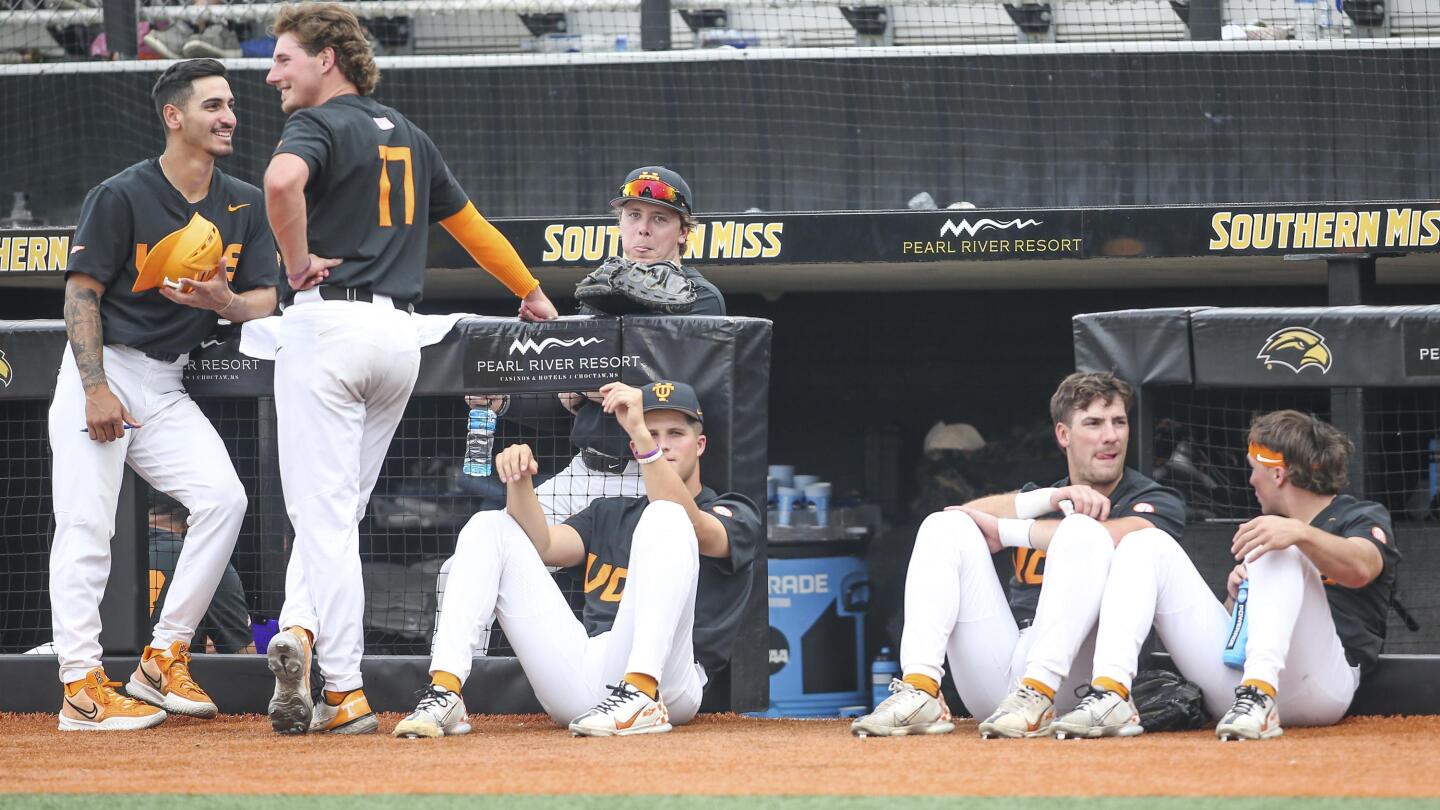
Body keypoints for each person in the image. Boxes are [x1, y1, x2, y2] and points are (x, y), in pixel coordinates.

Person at [259, 2, 559, 736]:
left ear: (327, 59)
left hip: (327, 325)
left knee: (322, 515)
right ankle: (299, 627)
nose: (272, 74)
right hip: (397, 339)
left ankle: (347, 688)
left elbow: (278, 184)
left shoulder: (317, 124)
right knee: (339, 512)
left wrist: (297, 263)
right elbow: (473, 228)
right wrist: (529, 289)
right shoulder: (411, 135)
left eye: (285, 59)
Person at [49, 58, 279, 731]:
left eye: (230, 103)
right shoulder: (121, 195)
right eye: (212, 105)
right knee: (88, 525)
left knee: (223, 499)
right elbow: (81, 292)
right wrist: (95, 388)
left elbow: (266, 297)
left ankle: (163, 655)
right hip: (105, 369)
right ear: (173, 117)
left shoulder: (244, 200)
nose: (228, 115)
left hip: (168, 380)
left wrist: (225, 301)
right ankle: (79, 685)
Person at [393, 380, 760, 739]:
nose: (663, 445)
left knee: (667, 515)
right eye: (652, 434)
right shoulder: (610, 512)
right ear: (634, 446)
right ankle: (445, 689)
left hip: (671, 683)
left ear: (700, 445)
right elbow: (544, 546)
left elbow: (693, 524)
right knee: (488, 524)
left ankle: (642, 692)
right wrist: (519, 481)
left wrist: (642, 437)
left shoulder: (732, 510)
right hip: (586, 673)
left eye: (674, 434)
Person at [850, 372, 1185, 738]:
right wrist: (1044, 499)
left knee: (1080, 530)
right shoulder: (1047, 500)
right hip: (1005, 671)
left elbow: (1113, 536)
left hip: (1077, 686)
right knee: (941, 526)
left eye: (1119, 422)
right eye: (1094, 423)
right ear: (1063, 435)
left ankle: (1041, 694)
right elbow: (962, 517)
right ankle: (920, 688)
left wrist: (1012, 531)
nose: (1111, 436)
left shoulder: (1155, 498)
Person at [1050, 410, 1398, 741]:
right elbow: (1238, 639)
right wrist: (1236, 597)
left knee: (1276, 543)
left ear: (1277, 475)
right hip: (1237, 696)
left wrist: (1298, 534)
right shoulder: (1269, 529)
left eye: (1253, 469)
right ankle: (1111, 692)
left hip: (1320, 689)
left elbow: (1363, 567)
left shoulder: (1358, 515)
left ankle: (1260, 693)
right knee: (1146, 542)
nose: (1250, 480)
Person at [541, 166, 726, 523]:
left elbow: (678, 396)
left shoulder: (701, 297)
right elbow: (569, 392)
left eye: (659, 218)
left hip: (651, 475)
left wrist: (596, 385)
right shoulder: (599, 289)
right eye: (633, 215)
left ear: (684, 231)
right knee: (468, 565)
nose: (643, 228)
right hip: (582, 471)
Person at [147, 494, 254, 655]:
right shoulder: (205, 559)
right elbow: (244, 654)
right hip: (168, 674)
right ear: (190, 517)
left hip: (105, 674)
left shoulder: (110, 554)